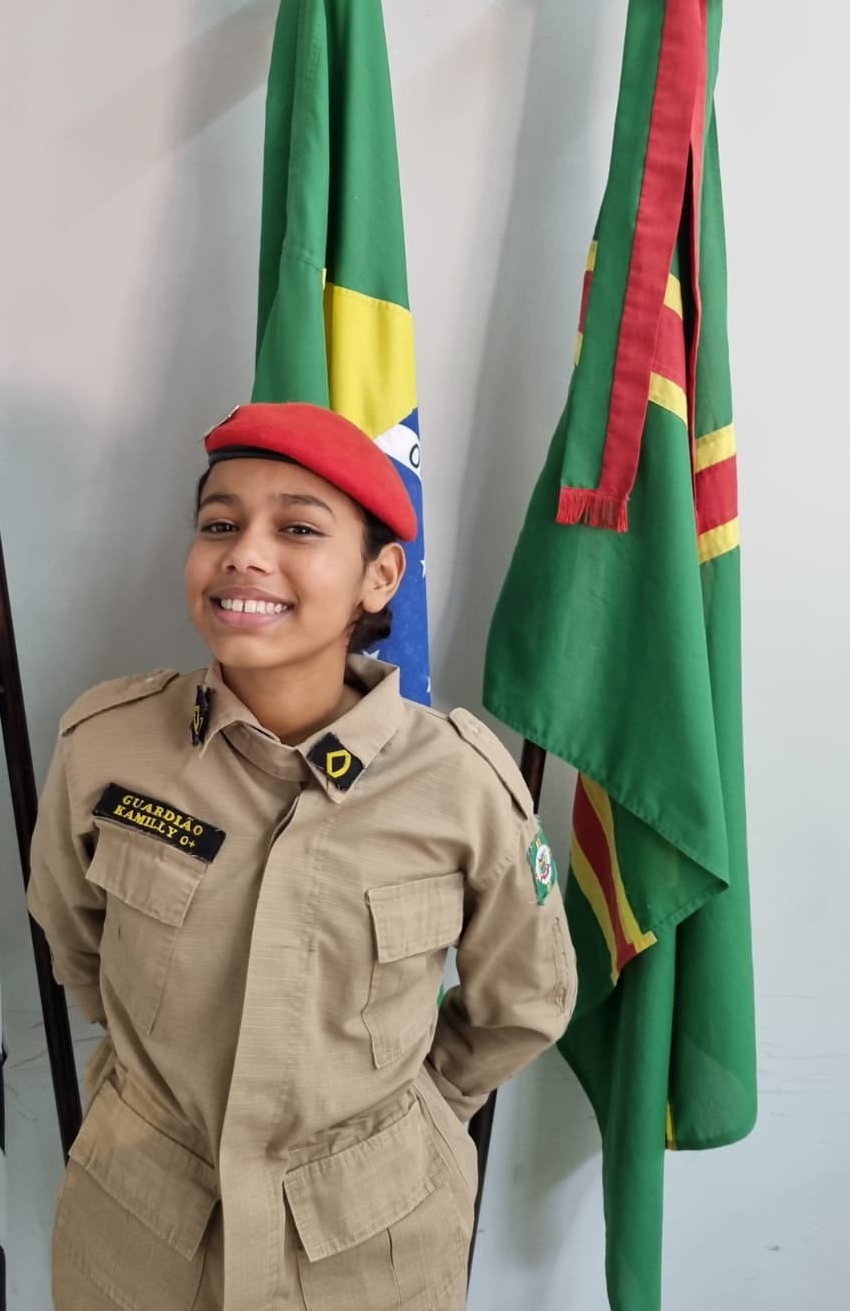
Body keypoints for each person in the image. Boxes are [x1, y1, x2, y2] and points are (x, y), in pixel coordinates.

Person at [28, 401, 577, 1311]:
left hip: (370, 1250)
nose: (245, 553)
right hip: (140, 1230)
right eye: (219, 524)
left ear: (379, 577)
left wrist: (406, 1117)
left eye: (297, 529)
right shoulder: (107, 745)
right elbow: (74, 938)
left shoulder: (461, 785)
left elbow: (522, 1002)